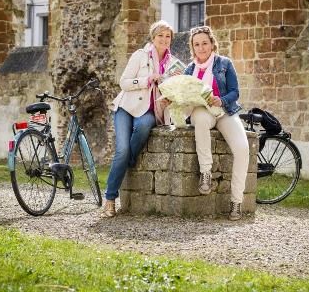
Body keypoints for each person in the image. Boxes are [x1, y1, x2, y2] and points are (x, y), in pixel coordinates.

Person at [102, 20, 178, 217]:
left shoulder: (173, 64)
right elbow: (124, 82)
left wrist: (172, 94)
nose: (164, 39)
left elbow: (174, 91)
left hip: (151, 112)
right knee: (122, 150)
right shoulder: (140, 55)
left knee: (144, 126)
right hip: (127, 107)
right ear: (153, 38)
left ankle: (128, 161)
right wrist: (147, 80)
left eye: (167, 36)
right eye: (160, 35)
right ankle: (110, 198)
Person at [184, 25, 249, 221]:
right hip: (201, 111)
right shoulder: (189, 69)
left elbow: (234, 92)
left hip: (224, 111)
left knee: (243, 148)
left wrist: (222, 100)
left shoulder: (224, 63)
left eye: (205, 43)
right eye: (197, 44)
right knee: (202, 121)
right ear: (192, 48)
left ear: (212, 44)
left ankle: (236, 201)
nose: (201, 47)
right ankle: (206, 173)